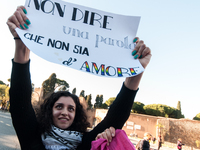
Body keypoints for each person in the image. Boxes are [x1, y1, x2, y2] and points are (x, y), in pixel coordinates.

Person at [7, 6, 151, 150]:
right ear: (49, 111)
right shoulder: (32, 137)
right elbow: (20, 102)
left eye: (71, 109)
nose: (65, 112)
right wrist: (22, 46)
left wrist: (135, 73)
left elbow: (115, 118)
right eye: (59, 107)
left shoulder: (86, 144)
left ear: (76, 115)